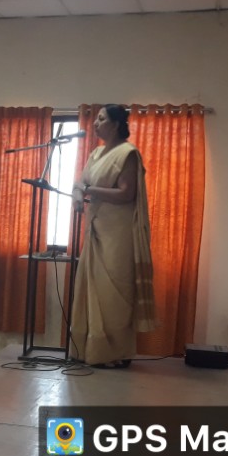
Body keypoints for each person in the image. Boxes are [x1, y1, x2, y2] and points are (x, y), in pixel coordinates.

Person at [69, 104, 159, 368]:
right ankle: (91, 350)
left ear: (116, 124)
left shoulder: (128, 153)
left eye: (101, 119)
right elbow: (80, 183)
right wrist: (78, 195)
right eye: (96, 119)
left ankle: (115, 353)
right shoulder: (96, 153)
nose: (95, 123)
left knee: (114, 295)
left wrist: (88, 190)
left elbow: (126, 193)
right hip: (95, 228)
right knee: (92, 290)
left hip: (118, 234)